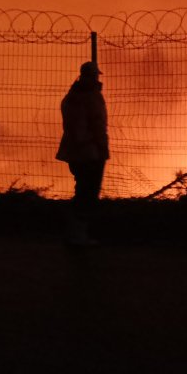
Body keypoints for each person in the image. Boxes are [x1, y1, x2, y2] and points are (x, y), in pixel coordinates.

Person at [56, 61, 109, 245]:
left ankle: (74, 232)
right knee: (88, 192)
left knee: (81, 190)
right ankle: (78, 236)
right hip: (90, 151)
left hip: (74, 151)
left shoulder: (71, 96)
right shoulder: (92, 97)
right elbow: (97, 124)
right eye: (95, 75)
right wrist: (102, 147)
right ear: (92, 76)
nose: (96, 78)